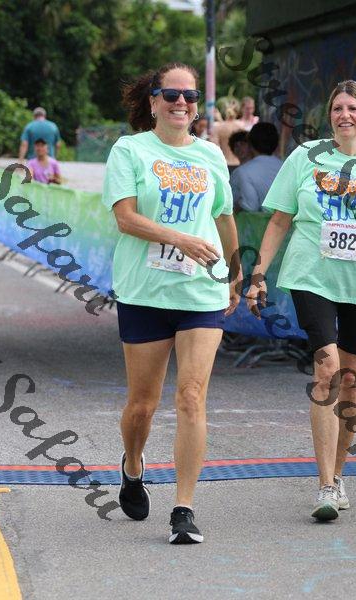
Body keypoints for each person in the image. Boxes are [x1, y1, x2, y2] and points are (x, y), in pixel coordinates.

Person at [102, 62, 241, 544]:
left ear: (198, 107)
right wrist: (179, 239)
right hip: (145, 291)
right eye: (171, 95)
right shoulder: (131, 150)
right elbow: (125, 218)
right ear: (153, 101)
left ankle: (184, 508)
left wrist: (235, 273)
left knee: (191, 395)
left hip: (200, 291)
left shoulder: (210, 155)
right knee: (143, 404)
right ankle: (133, 465)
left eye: (190, 96)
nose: (182, 102)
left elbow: (223, 217)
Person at [246, 81, 356, 521]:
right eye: (337, 108)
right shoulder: (307, 156)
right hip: (311, 276)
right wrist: (258, 275)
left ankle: (340, 475)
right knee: (327, 369)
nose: (344, 115)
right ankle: (325, 485)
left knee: (351, 378)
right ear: (330, 116)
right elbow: (280, 220)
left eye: (353, 109)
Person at [230, 122, 283, 213]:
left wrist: (239, 204)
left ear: (250, 144)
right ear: (277, 144)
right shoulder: (287, 167)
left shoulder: (242, 172)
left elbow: (250, 206)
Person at [210, 102, 242, 172]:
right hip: (239, 164)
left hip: (224, 164)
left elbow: (214, 148)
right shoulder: (240, 128)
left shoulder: (218, 128)